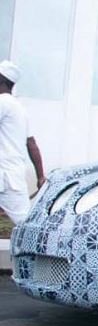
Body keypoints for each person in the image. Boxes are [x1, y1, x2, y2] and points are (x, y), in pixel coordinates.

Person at [0, 60, 45, 225]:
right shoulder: (19, 108)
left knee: (26, 226)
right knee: (26, 224)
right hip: (12, 175)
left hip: (5, 175)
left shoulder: (3, 102)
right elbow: (31, 144)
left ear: (3, 81)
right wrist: (40, 176)